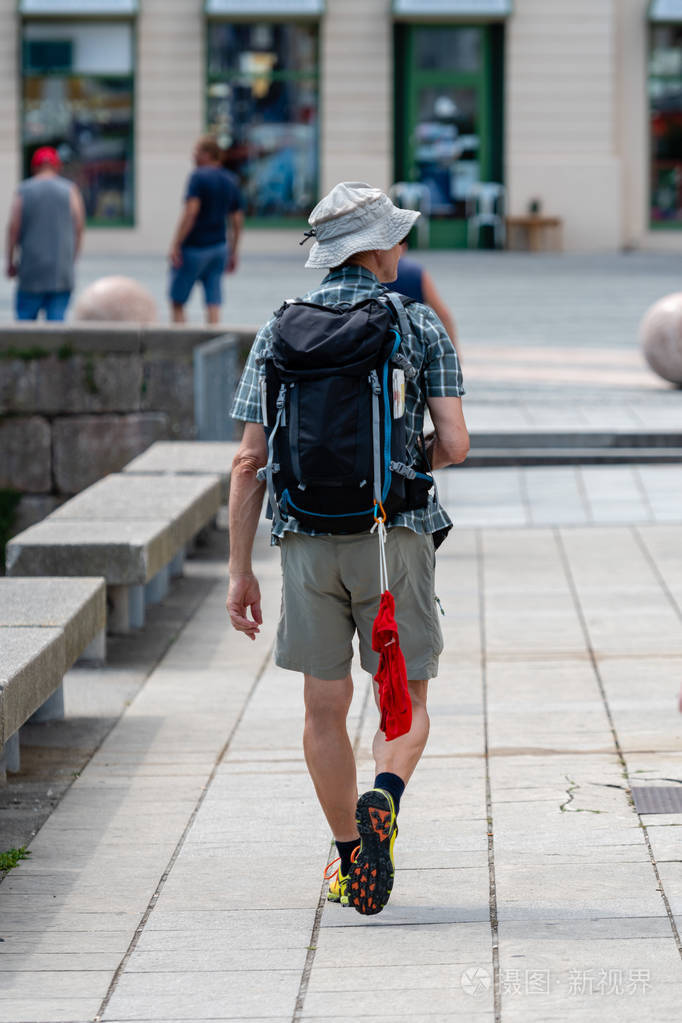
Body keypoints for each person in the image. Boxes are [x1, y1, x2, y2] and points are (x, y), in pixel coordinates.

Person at [227, 181, 469, 915]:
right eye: (395, 236)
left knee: (322, 706)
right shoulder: (416, 322)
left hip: (305, 538)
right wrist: (404, 464)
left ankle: (347, 857)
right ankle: (384, 797)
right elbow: (455, 443)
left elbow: (247, 462)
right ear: (372, 248)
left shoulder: (278, 329)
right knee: (405, 696)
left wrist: (239, 570)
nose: (403, 246)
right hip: (392, 535)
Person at [168, 135, 244, 325]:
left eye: (196, 152)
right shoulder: (231, 179)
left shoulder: (198, 177)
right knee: (213, 301)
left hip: (195, 247)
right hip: (219, 247)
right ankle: (213, 342)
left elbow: (191, 212)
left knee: (177, 300)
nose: (193, 156)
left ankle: (179, 343)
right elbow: (237, 220)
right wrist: (233, 251)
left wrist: (176, 244)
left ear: (207, 154)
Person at [5, 146, 85, 321]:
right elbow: (78, 226)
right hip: (61, 272)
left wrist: (10, 262)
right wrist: (73, 257)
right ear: (57, 166)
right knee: (56, 329)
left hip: (30, 271)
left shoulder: (24, 190)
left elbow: (13, 229)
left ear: (34, 167)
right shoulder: (70, 190)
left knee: (25, 330)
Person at [393, 238, 460, 356]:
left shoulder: (375, 273)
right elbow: (443, 314)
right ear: (405, 246)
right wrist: (454, 352)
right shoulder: (415, 271)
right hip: (414, 345)